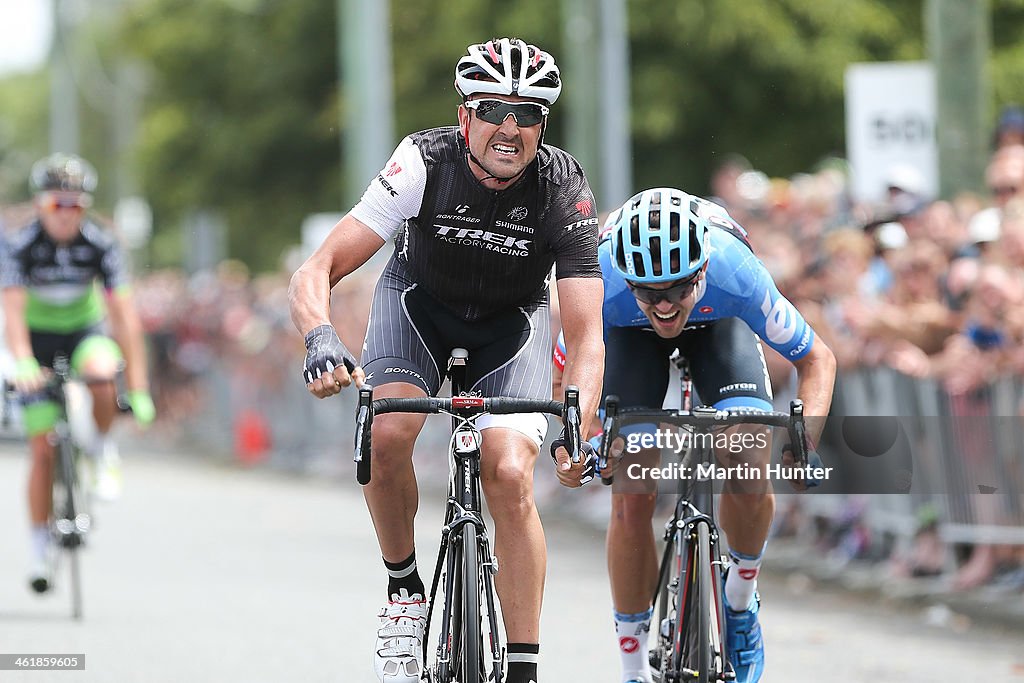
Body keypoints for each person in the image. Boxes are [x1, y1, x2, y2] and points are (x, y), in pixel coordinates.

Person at [288, 37, 604, 683]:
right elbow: (316, 269)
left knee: (510, 473)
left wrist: (579, 423)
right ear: (465, 116)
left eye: (528, 114)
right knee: (387, 431)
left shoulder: (563, 188)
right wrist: (320, 336)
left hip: (510, 327)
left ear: (544, 125)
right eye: (493, 109)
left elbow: (587, 333)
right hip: (418, 309)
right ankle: (405, 590)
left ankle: (522, 666)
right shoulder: (422, 161)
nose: (510, 128)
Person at [556, 188, 835, 683]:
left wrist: (803, 441)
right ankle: (632, 668)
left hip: (719, 322)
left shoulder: (735, 272)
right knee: (631, 490)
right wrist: (582, 442)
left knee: (746, 456)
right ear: (630, 280)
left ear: (701, 271)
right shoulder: (602, 282)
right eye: (650, 292)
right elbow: (571, 382)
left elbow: (817, 360)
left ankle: (740, 601)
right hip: (626, 335)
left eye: (676, 289)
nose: (664, 306)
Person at [1, 153, 155, 593]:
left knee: (103, 372)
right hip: (34, 339)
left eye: (75, 205)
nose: (66, 215)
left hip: (84, 331)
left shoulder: (101, 243)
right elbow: (11, 312)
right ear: (39, 205)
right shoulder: (18, 244)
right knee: (42, 450)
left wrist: (140, 388)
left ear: (84, 207)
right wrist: (24, 362)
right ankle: (36, 550)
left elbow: (124, 318)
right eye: (56, 205)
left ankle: (103, 450)